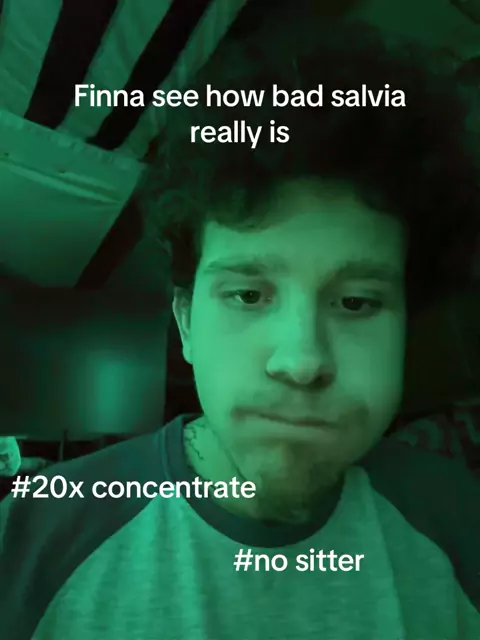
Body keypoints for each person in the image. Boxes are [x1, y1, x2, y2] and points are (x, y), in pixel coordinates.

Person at [1, 18, 479, 640]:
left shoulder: (462, 524)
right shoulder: (27, 539)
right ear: (186, 323)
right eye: (249, 294)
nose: (302, 361)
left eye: (357, 302)